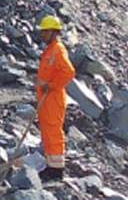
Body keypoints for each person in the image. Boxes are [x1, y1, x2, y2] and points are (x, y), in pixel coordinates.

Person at [36, 16, 76, 183]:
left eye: (45, 31)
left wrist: (51, 86)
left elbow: (69, 72)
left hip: (53, 98)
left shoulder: (58, 50)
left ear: (53, 32)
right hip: (45, 99)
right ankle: (50, 165)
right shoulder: (49, 50)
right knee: (46, 132)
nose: (42, 34)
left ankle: (57, 170)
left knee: (53, 132)